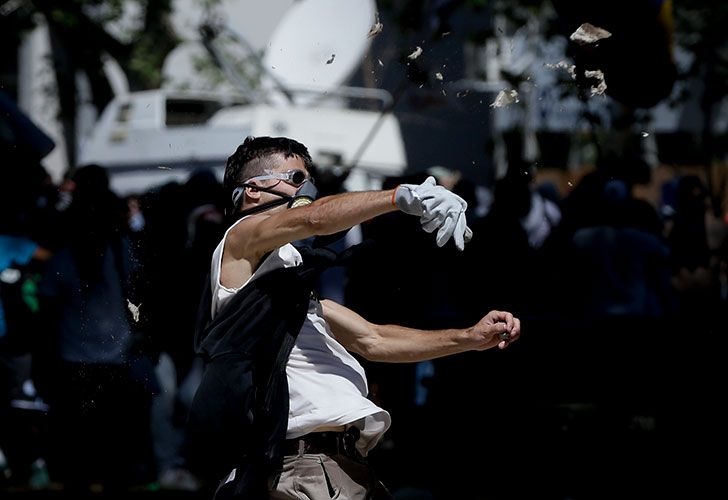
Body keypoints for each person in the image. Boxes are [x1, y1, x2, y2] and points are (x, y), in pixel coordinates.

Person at [187, 136, 521, 499]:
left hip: (339, 466)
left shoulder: (284, 291)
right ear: (253, 190)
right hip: (302, 469)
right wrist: (399, 197)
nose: (308, 188)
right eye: (297, 178)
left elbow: (374, 340)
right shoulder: (240, 237)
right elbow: (314, 218)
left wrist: (470, 338)